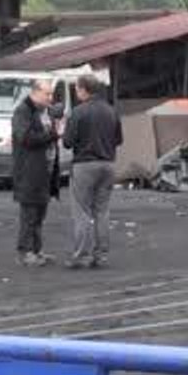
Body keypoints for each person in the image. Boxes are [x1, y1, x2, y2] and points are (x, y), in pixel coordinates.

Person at [62, 75, 122, 269]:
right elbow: (118, 140)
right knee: (102, 211)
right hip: (108, 165)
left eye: (78, 89)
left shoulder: (78, 112)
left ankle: (81, 255)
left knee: (81, 211)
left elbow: (68, 142)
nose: (77, 92)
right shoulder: (111, 111)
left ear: (84, 90)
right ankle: (101, 255)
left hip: (84, 166)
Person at [11, 80, 60, 267]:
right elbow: (25, 138)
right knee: (29, 213)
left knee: (40, 212)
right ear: (35, 92)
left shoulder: (44, 113)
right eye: (47, 94)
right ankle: (25, 251)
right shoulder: (22, 111)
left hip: (44, 172)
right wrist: (52, 136)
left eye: (51, 94)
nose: (50, 98)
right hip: (29, 171)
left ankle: (37, 250)